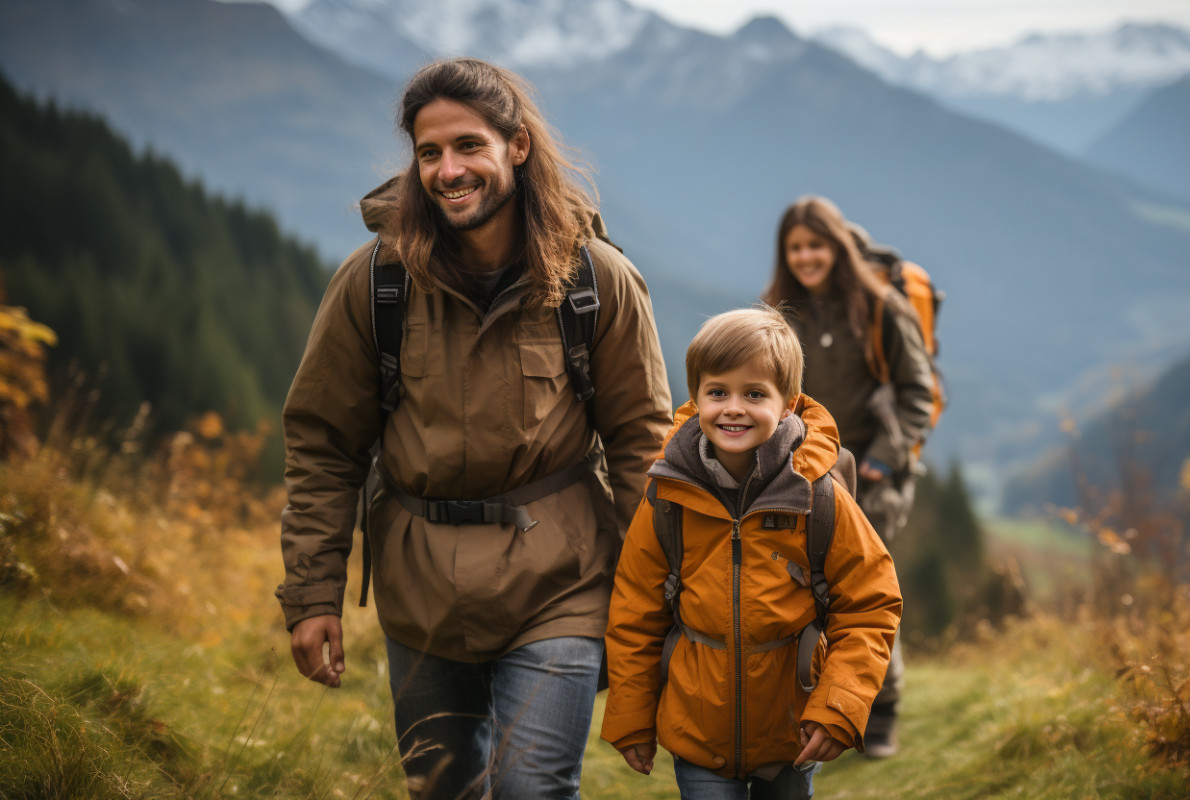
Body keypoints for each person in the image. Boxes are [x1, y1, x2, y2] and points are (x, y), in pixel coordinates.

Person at [275, 57, 673, 800]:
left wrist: (661, 602)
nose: (448, 170)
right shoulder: (375, 284)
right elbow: (324, 444)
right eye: (430, 153)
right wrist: (313, 595)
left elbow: (642, 446)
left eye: (468, 146)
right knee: (444, 790)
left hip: (562, 581)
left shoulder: (595, 282)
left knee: (532, 787)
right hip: (419, 591)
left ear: (516, 147)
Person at [601, 306, 902, 799]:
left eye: (755, 394)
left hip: (793, 729)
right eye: (717, 392)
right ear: (696, 396)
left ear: (788, 404)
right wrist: (632, 716)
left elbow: (871, 603)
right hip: (696, 734)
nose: (733, 408)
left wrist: (838, 708)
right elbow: (635, 611)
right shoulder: (669, 498)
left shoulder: (817, 495)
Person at [761, 196, 935, 758]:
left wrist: (883, 461)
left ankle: (880, 712)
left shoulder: (882, 307)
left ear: (837, 248)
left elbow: (919, 393)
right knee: (802, 592)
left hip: (874, 474)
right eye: (796, 247)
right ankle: (817, 711)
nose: (807, 257)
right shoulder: (778, 311)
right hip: (800, 472)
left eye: (817, 245)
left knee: (863, 590)